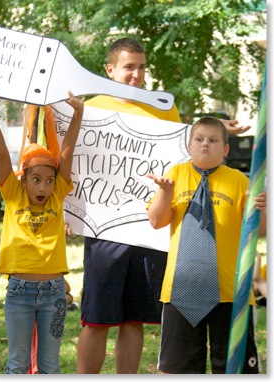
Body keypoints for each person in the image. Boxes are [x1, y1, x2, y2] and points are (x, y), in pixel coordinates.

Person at [76, 37, 253, 374]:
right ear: (110, 69)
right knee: (96, 319)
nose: (137, 75)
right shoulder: (91, 105)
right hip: (104, 228)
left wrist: (216, 130)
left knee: (134, 318)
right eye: (129, 67)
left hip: (150, 230)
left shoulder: (162, 106)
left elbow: (182, 142)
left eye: (142, 67)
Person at [146, 116, 266, 374]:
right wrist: (166, 193)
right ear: (189, 146)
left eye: (213, 140)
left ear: (225, 149)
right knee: (180, 368)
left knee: (236, 368)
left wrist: (263, 211)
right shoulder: (175, 175)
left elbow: (261, 231)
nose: (205, 145)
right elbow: (156, 221)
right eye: (199, 140)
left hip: (231, 291)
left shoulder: (240, 181)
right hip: (181, 289)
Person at [0, 89, 84, 374]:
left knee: (50, 367)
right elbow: (3, 152)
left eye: (48, 180)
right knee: (17, 365)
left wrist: (77, 114)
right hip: (19, 293)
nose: (43, 187)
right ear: (24, 179)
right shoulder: (13, 193)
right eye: (36, 180)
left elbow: (66, 153)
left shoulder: (58, 194)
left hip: (55, 295)